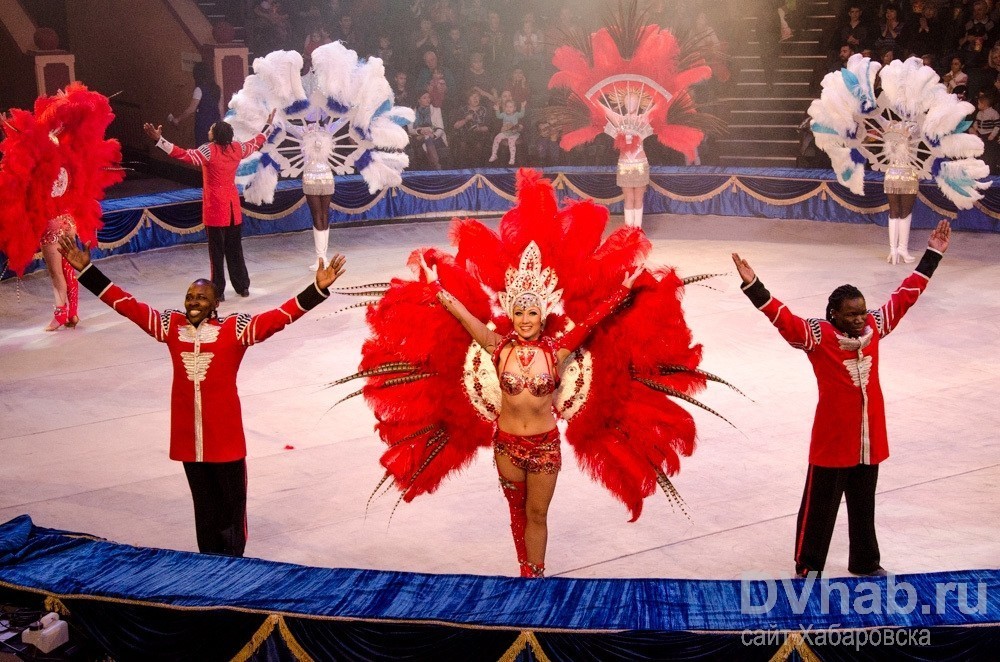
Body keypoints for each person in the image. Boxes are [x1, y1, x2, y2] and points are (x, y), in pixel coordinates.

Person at [58, 234, 347, 556]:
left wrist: (317, 290)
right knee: (204, 512)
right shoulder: (170, 326)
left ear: (215, 303)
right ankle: (206, 569)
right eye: (189, 296)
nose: (193, 301)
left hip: (225, 441)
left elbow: (278, 318)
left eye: (200, 297)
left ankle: (234, 568)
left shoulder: (235, 330)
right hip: (188, 440)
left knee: (231, 514)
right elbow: (128, 305)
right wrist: (88, 272)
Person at [732, 219, 951, 577]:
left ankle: (865, 562)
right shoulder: (818, 336)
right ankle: (808, 566)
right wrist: (754, 285)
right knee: (820, 507)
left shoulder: (875, 328)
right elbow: (783, 319)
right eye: (851, 313)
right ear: (834, 313)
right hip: (833, 440)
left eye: (862, 311)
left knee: (864, 506)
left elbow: (906, 295)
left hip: (869, 438)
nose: (859, 318)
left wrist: (933, 255)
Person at [419, 248, 642, 577]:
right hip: (506, 445)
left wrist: (623, 290)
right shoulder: (498, 347)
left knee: (537, 514)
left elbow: (592, 321)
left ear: (542, 316)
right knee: (516, 513)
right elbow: (464, 316)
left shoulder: (557, 352)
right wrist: (434, 285)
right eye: (520, 312)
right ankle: (525, 574)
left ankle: (535, 577)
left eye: (532, 313)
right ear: (512, 313)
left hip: (544, 447)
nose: (525, 319)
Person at [143, 112, 275, 300]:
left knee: (216, 252)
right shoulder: (236, 148)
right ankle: (242, 286)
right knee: (235, 249)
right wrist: (268, 127)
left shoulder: (208, 151)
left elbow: (183, 155)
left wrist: (160, 140)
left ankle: (218, 291)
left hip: (215, 209)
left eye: (211, 129)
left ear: (215, 135)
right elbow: (256, 142)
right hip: (232, 209)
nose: (208, 130)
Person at [169, 62, 222, 146]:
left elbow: (191, 108)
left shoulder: (199, 89)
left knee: (203, 149)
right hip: (216, 120)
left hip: (203, 124)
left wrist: (178, 119)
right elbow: (219, 106)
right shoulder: (216, 88)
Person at [489, 98, 525, 165]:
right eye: (507, 107)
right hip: (505, 132)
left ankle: (512, 158)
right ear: (504, 108)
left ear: (514, 108)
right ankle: (494, 155)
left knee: (511, 143)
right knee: (497, 138)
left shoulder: (516, 114)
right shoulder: (503, 114)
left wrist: (522, 107)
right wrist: (497, 110)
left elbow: (522, 115)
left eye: (511, 107)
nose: (508, 108)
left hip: (514, 133)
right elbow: (498, 116)